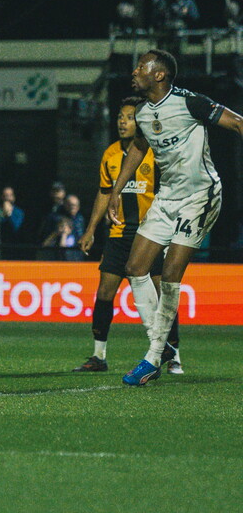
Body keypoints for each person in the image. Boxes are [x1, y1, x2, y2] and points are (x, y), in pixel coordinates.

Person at [111, 50, 243, 385]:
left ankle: (153, 357)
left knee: (170, 273)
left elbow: (238, 122)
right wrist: (116, 189)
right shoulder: (142, 111)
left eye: (142, 66)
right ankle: (163, 344)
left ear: (160, 75)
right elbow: (140, 147)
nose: (135, 70)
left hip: (200, 197)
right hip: (166, 198)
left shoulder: (190, 103)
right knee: (135, 268)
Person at [74, 97, 181, 373]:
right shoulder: (110, 153)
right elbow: (104, 192)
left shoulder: (154, 154)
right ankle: (99, 356)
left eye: (129, 117)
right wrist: (90, 230)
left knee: (162, 294)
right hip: (119, 235)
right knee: (105, 292)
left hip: (149, 235)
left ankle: (174, 353)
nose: (122, 122)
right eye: (120, 117)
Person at [0, 186, 25, 256]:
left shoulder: (18, 212)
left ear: (13, 197)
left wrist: (9, 215)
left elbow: (16, 228)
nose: (7, 198)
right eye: (5, 196)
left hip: (13, 246)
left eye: (10, 195)